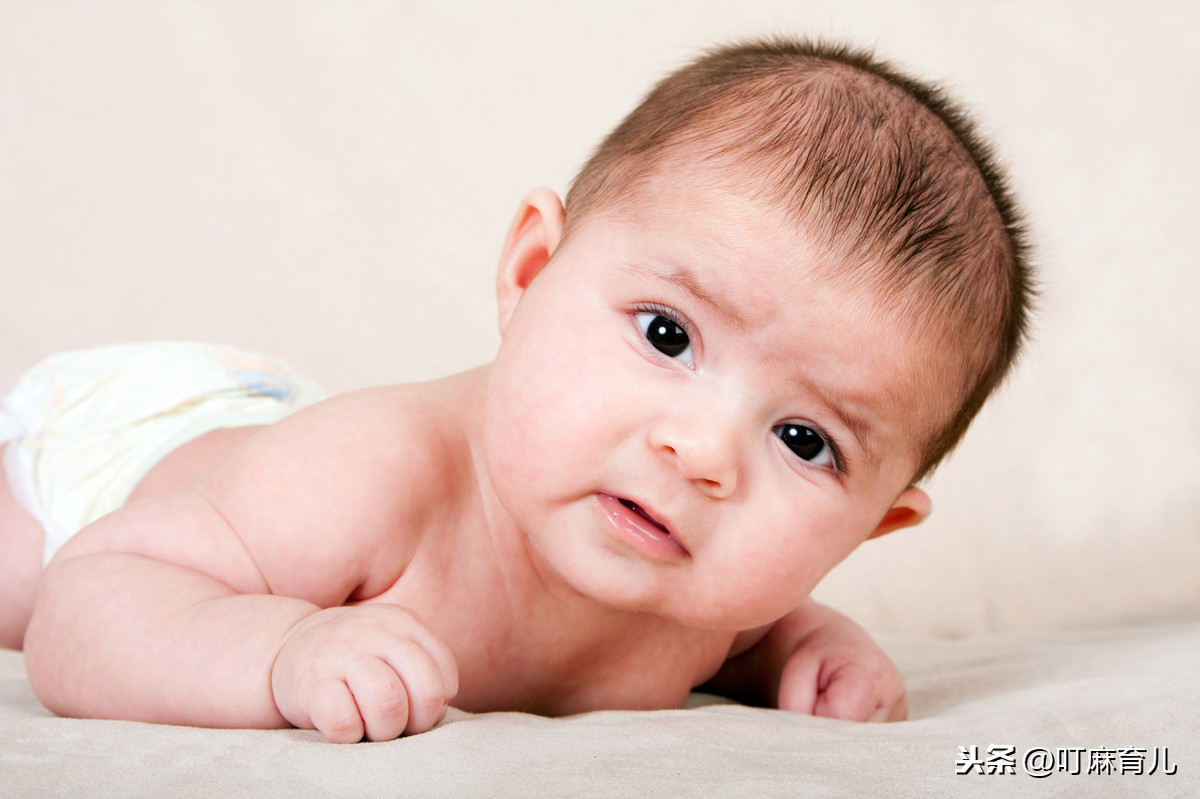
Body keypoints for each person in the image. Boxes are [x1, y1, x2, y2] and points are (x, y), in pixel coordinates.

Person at [0, 38, 1031, 743]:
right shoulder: (370, 479)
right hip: (121, 451)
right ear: (532, 270)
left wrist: (811, 647)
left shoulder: (711, 595)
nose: (705, 454)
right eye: (668, 334)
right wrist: (279, 648)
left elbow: (758, 629)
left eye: (805, 442)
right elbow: (93, 600)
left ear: (871, 525)